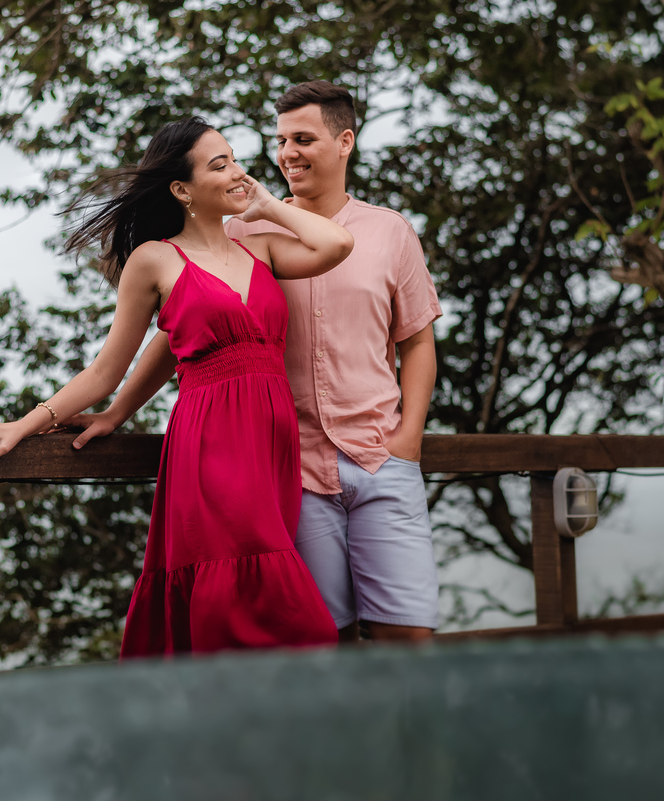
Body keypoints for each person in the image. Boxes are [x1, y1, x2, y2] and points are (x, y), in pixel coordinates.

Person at [0, 116, 353, 657]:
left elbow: (338, 244)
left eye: (234, 159)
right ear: (182, 190)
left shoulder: (263, 250)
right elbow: (104, 371)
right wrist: (30, 422)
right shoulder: (155, 259)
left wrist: (269, 205)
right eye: (219, 164)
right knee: (288, 619)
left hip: (271, 446)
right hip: (212, 446)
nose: (238, 173)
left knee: (258, 607)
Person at [70, 82, 442, 644]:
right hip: (291, 470)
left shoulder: (391, 232)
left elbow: (417, 340)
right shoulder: (238, 233)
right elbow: (181, 337)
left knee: (407, 634)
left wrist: (408, 436)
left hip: (378, 457)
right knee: (321, 637)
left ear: (345, 142)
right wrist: (117, 411)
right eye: (281, 139)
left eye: (303, 138)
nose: (287, 152)